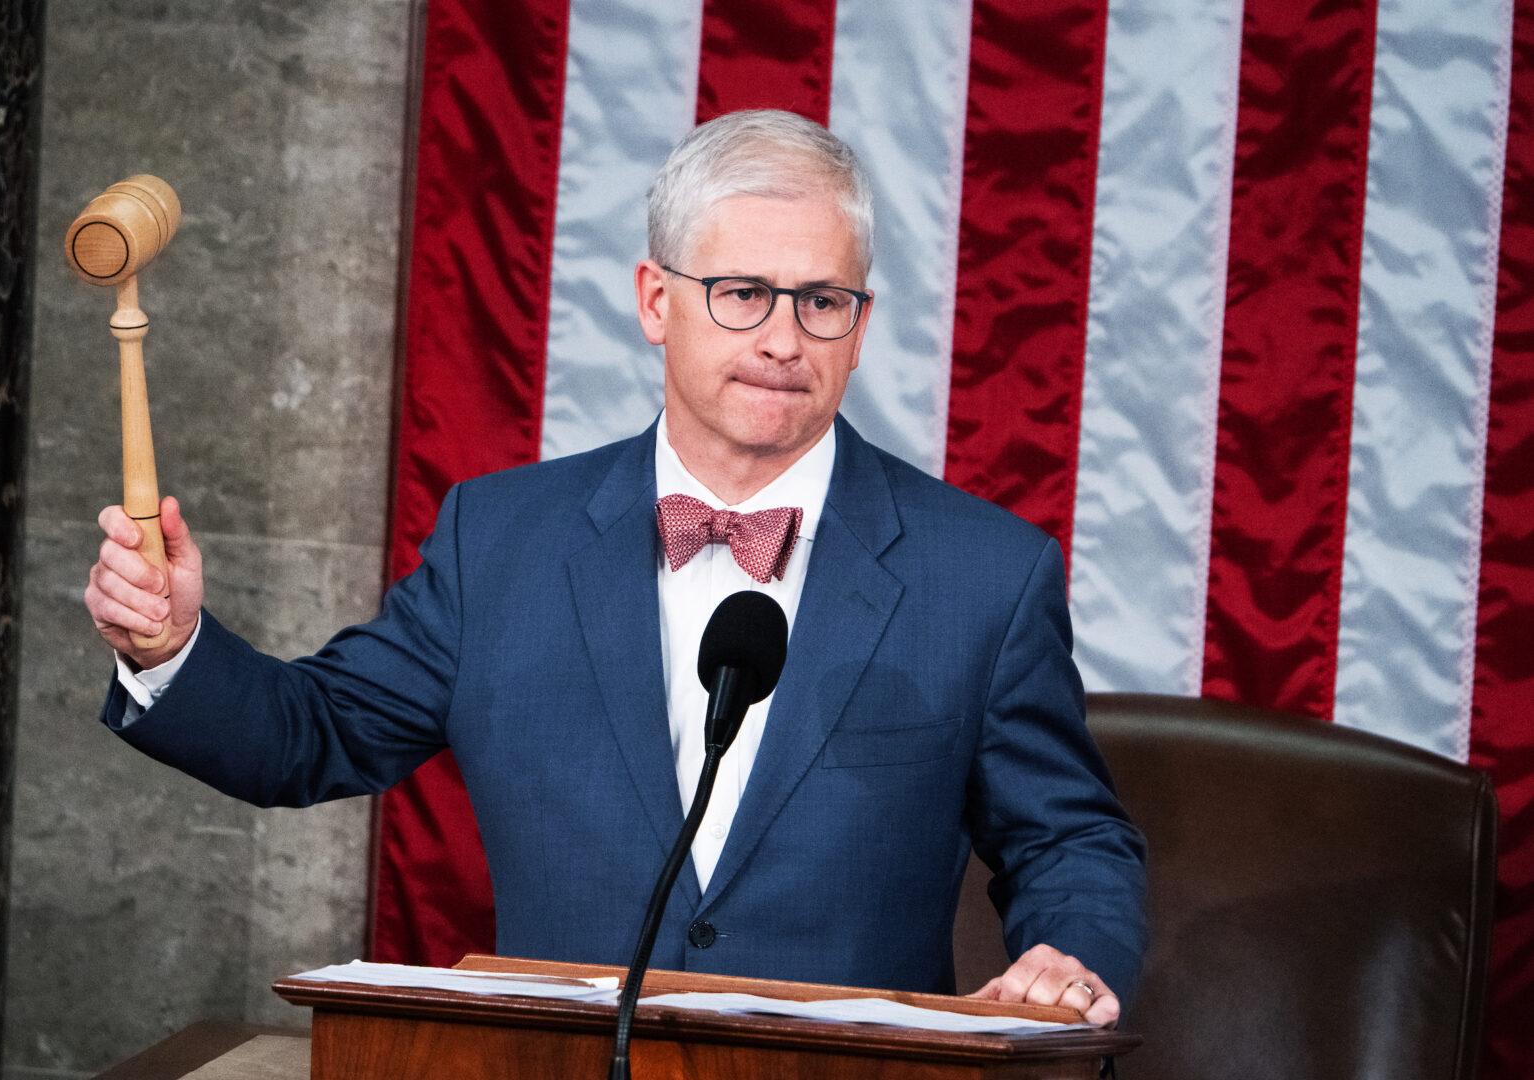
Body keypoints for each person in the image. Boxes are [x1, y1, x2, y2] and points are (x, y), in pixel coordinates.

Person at [85, 109, 1146, 1025]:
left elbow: (1068, 837)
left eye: (822, 300)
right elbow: (308, 738)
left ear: (859, 328)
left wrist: (1072, 953)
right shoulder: (498, 540)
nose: (785, 337)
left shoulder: (985, 576)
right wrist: (172, 647)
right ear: (654, 301)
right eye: (742, 292)